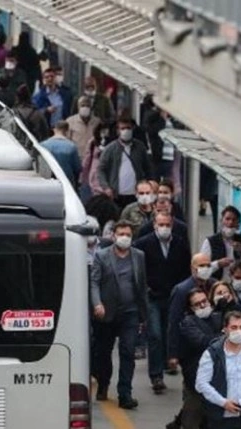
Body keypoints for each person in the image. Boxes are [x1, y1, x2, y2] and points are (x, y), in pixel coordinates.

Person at [91, 220, 148, 409]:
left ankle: (125, 393)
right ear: (114, 235)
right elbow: (94, 282)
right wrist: (97, 303)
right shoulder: (101, 256)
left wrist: (143, 314)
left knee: (127, 352)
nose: (125, 238)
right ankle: (103, 383)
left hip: (130, 313)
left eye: (128, 235)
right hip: (106, 313)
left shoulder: (139, 256)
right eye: (121, 234)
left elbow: (141, 285)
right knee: (103, 352)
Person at [133, 211, 192, 394]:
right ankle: (156, 375)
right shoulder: (143, 245)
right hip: (152, 297)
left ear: (172, 225)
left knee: (170, 331)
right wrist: (144, 290)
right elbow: (138, 271)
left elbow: (185, 270)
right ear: (154, 225)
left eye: (167, 224)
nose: (164, 228)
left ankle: (169, 361)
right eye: (161, 224)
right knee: (155, 335)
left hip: (173, 296)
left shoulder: (180, 244)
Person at [177, 288, 222, 429]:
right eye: (197, 304)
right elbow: (203, 342)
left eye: (204, 301)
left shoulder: (217, 317)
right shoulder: (188, 323)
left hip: (218, 380)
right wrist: (223, 337)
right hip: (195, 380)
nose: (203, 305)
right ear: (191, 308)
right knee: (192, 419)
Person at [168, 253, 217, 373]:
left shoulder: (215, 285)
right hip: (190, 346)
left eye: (208, 265)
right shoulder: (182, 290)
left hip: (211, 341)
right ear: (192, 268)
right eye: (201, 265)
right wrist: (173, 354)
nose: (205, 268)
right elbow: (174, 321)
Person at [96, 115, 154, 209]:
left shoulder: (140, 147)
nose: (126, 131)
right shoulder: (110, 149)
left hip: (136, 195)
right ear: (118, 130)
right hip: (116, 195)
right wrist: (106, 187)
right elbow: (101, 169)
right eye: (122, 128)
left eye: (128, 128)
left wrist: (150, 185)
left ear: (133, 129)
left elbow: (148, 168)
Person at [200, 205, 241, 281]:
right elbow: (202, 271)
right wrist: (218, 264)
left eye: (234, 220)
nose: (230, 222)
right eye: (227, 219)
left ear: (238, 224)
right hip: (217, 285)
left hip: (239, 285)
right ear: (221, 221)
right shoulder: (210, 241)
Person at [40, 121, 82, 188]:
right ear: (67, 130)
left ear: (54, 129)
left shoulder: (43, 145)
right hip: (66, 180)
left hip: (47, 180)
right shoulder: (71, 146)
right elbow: (77, 167)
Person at [81, 122, 115, 201]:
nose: (104, 133)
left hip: (109, 173)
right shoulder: (93, 142)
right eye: (102, 131)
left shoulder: (114, 143)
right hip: (95, 173)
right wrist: (83, 177)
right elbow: (87, 159)